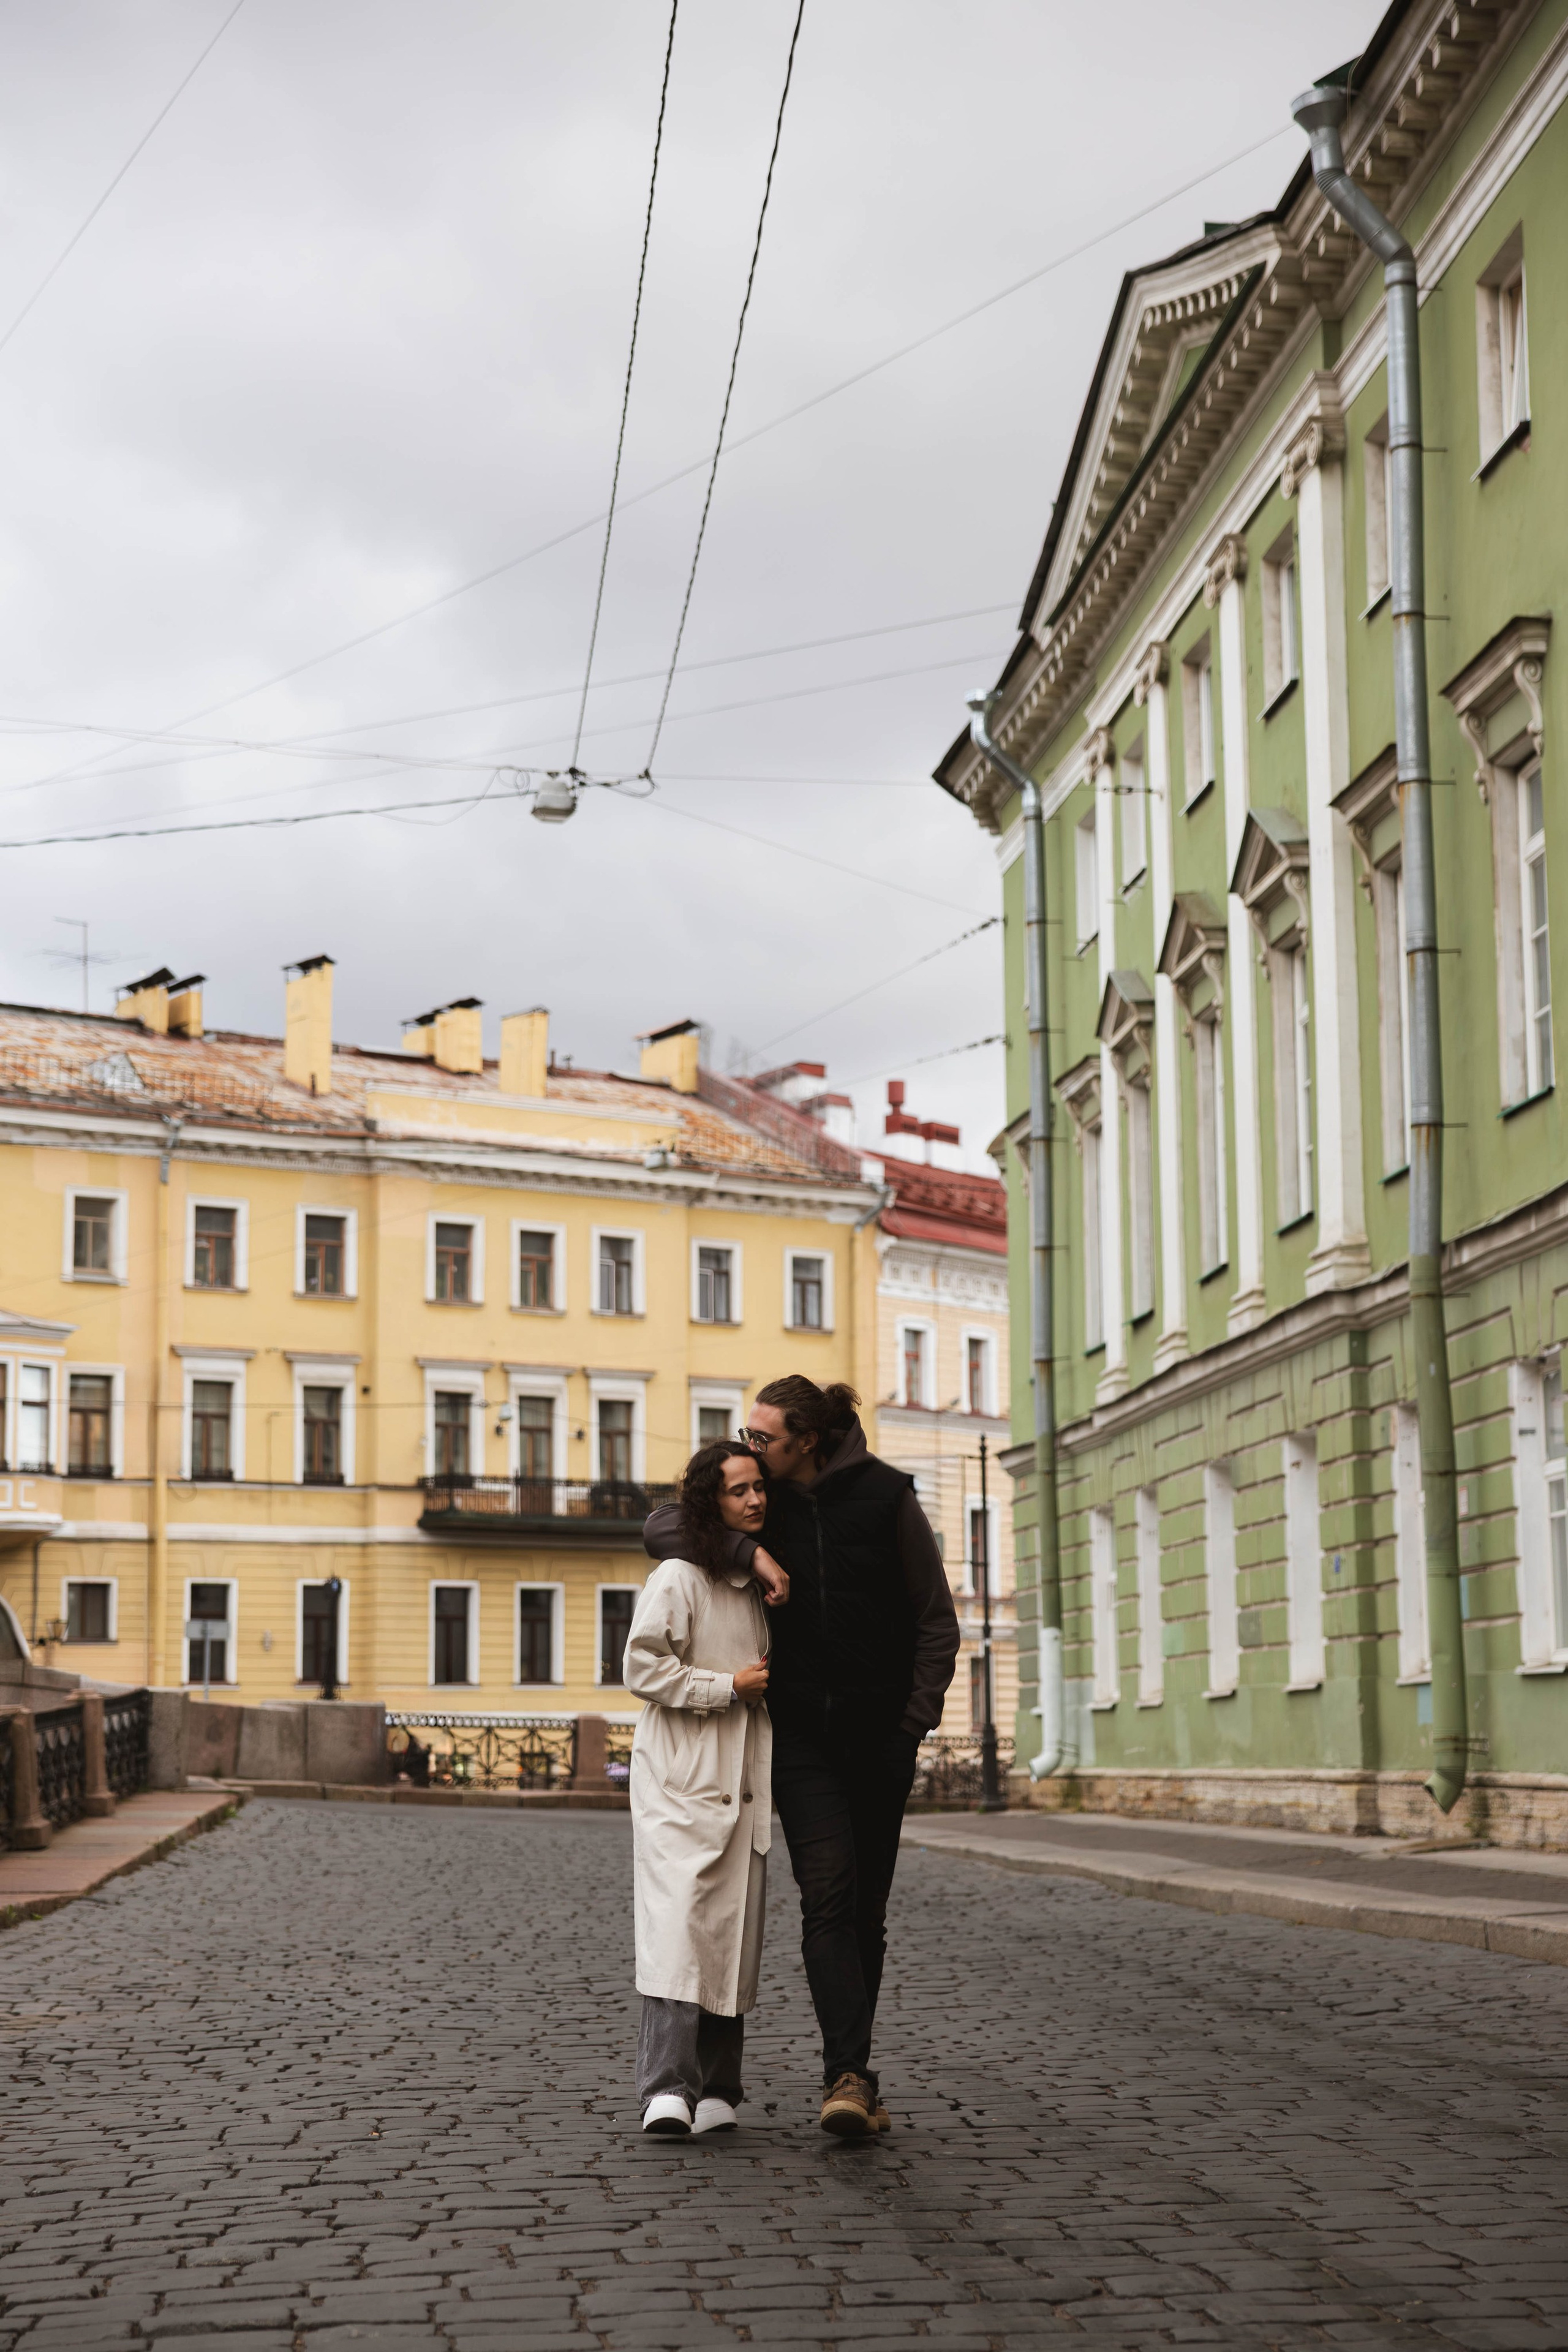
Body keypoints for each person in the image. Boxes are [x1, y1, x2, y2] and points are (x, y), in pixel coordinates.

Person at [644, 1376, 959, 2139]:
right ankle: (846, 2079)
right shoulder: (764, 1501)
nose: (749, 1449)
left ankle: (851, 2070)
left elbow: (934, 1621)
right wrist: (750, 1551)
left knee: (866, 1915)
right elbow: (662, 1527)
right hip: (801, 1744)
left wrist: (912, 1724)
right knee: (827, 1899)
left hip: (881, 1739)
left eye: (763, 1439)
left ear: (808, 1441)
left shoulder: (888, 1498)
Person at [625, 1440, 774, 2138]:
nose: (754, 1499)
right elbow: (642, 1668)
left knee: (730, 1934)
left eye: (758, 1488)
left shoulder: (756, 1582)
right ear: (709, 1502)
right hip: (682, 1778)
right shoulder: (678, 1577)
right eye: (738, 1490)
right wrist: (728, 1686)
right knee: (678, 1932)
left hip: (741, 1780)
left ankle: (719, 2087)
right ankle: (664, 2088)